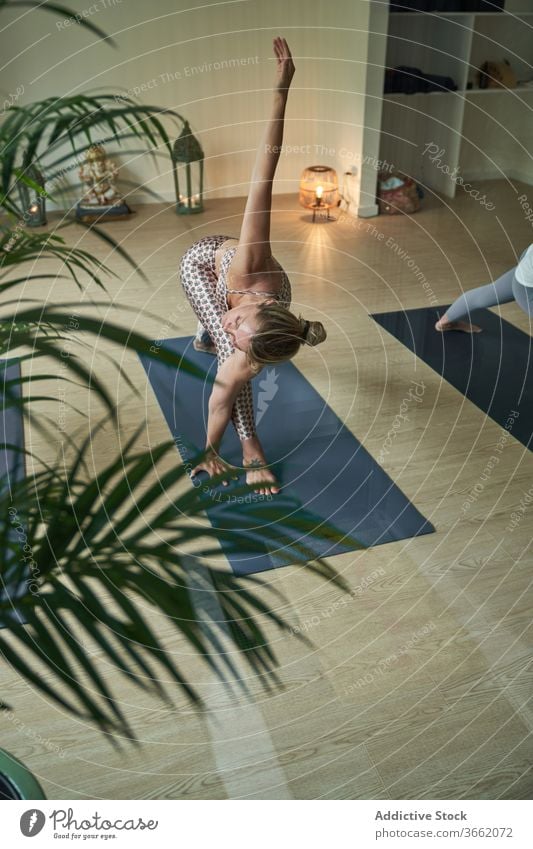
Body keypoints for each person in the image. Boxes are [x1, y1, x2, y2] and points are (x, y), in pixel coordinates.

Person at [179, 37, 327, 496]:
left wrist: (207, 450)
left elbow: (221, 398)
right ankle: (253, 449)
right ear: (257, 305)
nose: (232, 322)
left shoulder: (260, 339)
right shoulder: (252, 265)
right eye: (238, 320)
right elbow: (267, 168)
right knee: (226, 351)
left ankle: (207, 338)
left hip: (249, 333)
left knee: (230, 364)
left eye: (236, 328)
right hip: (204, 264)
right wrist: (281, 90)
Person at [435, 244, 533, 333]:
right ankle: (445, 322)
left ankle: (444, 322)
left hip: (528, 259)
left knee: (489, 293)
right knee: (490, 294)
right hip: (527, 285)